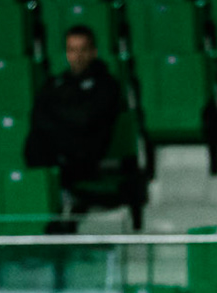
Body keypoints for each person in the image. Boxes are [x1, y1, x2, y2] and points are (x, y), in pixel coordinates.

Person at [24, 25, 141, 229]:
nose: (77, 56)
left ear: (93, 52)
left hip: (88, 157)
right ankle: (55, 206)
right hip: (58, 154)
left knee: (51, 141)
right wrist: (68, 114)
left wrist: (57, 112)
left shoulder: (107, 85)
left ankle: (62, 205)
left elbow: (86, 119)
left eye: (82, 49)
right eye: (71, 49)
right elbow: (38, 115)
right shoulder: (56, 83)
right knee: (35, 142)